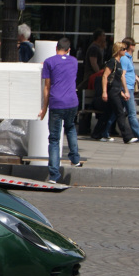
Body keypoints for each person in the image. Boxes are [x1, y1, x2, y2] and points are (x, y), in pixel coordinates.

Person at [38, 37, 82, 183]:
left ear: (56, 48)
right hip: (72, 101)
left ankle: (54, 175)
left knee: (54, 139)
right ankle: (75, 159)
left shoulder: (49, 62)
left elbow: (47, 87)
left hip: (56, 103)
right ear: (69, 50)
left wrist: (44, 108)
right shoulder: (74, 61)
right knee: (70, 129)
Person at [106, 37, 139, 142]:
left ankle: (104, 131)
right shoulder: (125, 59)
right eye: (133, 45)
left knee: (117, 112)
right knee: (131, 113)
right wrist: (125, 90)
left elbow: (133, 74)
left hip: (128, 87)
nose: (134, 47)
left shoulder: (128, 58)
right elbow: (122, 75)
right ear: (130, 46)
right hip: (127, 88)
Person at [101, 42, 138, 144]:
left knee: (109, 114)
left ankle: (99, 133)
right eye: (123, 49)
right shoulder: (112, 62)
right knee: (120, 113)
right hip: (112, 91)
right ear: (118, 50)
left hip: (117, 91)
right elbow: (105, 76)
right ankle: (127, 136)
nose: (125, 51)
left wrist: (124, 91)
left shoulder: (119, 62)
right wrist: (104, 92)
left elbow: (121, 78)